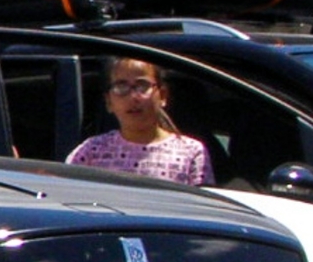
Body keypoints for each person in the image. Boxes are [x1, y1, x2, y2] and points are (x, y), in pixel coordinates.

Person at [66, 57, 213, 184]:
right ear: (109, 102)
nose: (133, 97)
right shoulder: (91, 152)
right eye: (121, 87)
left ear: (162, 95)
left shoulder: (191, 152)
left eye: (142, 86)